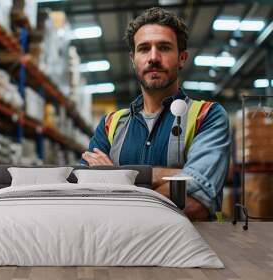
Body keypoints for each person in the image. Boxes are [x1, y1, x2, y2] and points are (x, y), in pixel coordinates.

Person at [81, 7, 231, 220]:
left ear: (182, 58)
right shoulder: (109, 124)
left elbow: (195, 201)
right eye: (144, 49)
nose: (153, 57)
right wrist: (177, 177)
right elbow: (87, 195)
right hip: (118, 251)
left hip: (188, 250)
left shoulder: (207, 116)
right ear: (133, 59)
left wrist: (116, 178)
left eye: (164, 47)